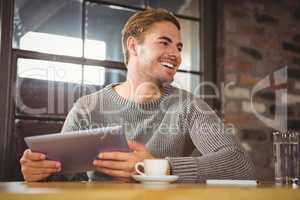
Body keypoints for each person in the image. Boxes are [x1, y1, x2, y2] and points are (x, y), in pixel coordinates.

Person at [20, 8, 255, 183]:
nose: (175, 54)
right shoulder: (88, 108)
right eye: (164, 43)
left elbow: (240, 165)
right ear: (133, 47)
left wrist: (157, 168)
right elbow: (59, 180)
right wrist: (38, 173)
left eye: (179, 47)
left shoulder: (189, 106)